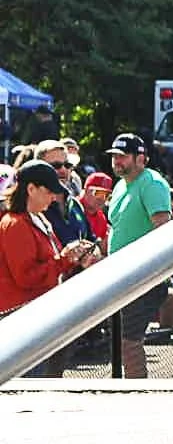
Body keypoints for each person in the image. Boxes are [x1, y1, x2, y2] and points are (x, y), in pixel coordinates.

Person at [1, 159, 101, 374]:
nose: (54, 197)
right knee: (33, 383)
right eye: (49, 191)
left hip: (36, 317)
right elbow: (26, 278)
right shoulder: (15, 224)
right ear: (31, 189)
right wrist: (65, 259)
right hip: (22, 323)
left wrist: (74, 259)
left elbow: (49, 265)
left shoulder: (37, 218)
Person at [106, 133, 173, 377]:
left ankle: (139, 391)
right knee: (124, 342)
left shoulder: (152, 183)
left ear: (141, 158)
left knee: (129, 342)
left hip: (141, 278)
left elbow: (163, 229)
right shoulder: (121, 185)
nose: (117, 161)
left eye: (123, 156)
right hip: (119, 277)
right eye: (114, 156)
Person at [81, 173, 114, 244]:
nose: (102, 198)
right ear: (86, 190)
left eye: (106, 195)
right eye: (98, 193)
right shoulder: (72, 209)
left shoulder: (101, 218)